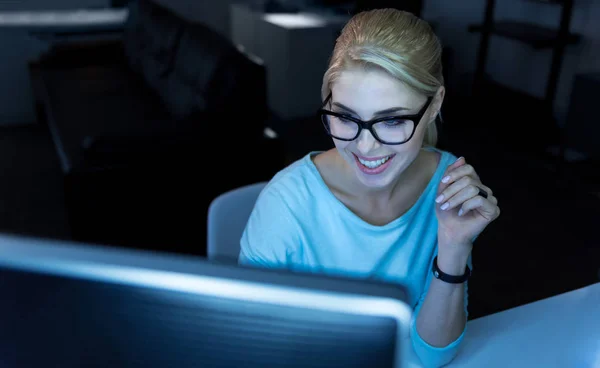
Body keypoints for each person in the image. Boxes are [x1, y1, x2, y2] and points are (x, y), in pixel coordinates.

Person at [238, 8, 500, 368]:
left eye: (392, 121)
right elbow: (248, 347)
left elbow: (432, 353)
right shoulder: (285, 205)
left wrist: (454, 246)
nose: (365, 148)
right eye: (345, 117)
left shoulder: (448, 187)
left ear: (435, 103)